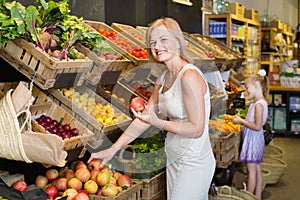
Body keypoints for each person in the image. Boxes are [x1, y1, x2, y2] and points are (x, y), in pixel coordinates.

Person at [88, 17, 215, 200]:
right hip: (174, 157)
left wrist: (159, 122)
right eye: (153, 42)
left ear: (178, 42)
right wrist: (112, 149)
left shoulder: (189, 77)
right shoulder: (163, 78)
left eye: (163, 40)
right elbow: (145, 119)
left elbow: (196, 128)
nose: (157, 46)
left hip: (193, 162)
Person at [232, 69, 269, 200]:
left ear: (256, 85)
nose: (246, 91)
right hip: (256, 139)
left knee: (251, 171)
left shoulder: (258, 105)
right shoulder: (261, 102)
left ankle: (249, 197)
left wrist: (241, 121)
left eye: (248, 88)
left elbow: (257, 126)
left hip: (253, 140)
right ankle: (257, 196)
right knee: (257, 170)